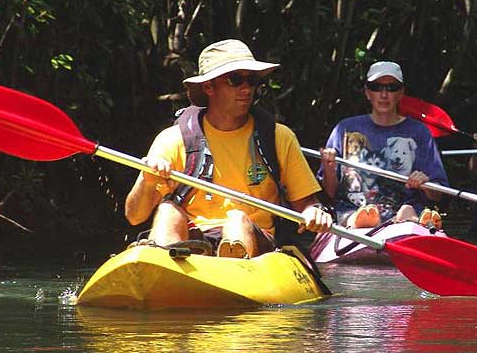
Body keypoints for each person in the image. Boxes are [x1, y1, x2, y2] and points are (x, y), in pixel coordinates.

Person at [124, 39, 332, 259]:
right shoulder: (172, 140)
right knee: (167, 211)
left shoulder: (279, 137)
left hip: (254, 240)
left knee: (237, 220)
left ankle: (232, 265)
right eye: (235, 80)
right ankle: (167, 268)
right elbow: (134, 216)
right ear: (208, 87)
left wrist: (314, 212)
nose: (246, 88)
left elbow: (307, 203)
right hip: (195, 239)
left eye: (251, 80)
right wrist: (146, 180)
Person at [318, 61, 449, 230]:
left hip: (407, 211)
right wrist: (329, 168)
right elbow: (329, 193)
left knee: (408, 211)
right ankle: (364, 223)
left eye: (392, 88)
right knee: (357, 217)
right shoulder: (344, 129)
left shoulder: (419, 132)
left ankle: (412, 221)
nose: (384, 94)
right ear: (367, 92)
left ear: (401, 93)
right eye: (376, 87)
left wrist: (425, 185)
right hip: (353, 211)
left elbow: (438, 194)